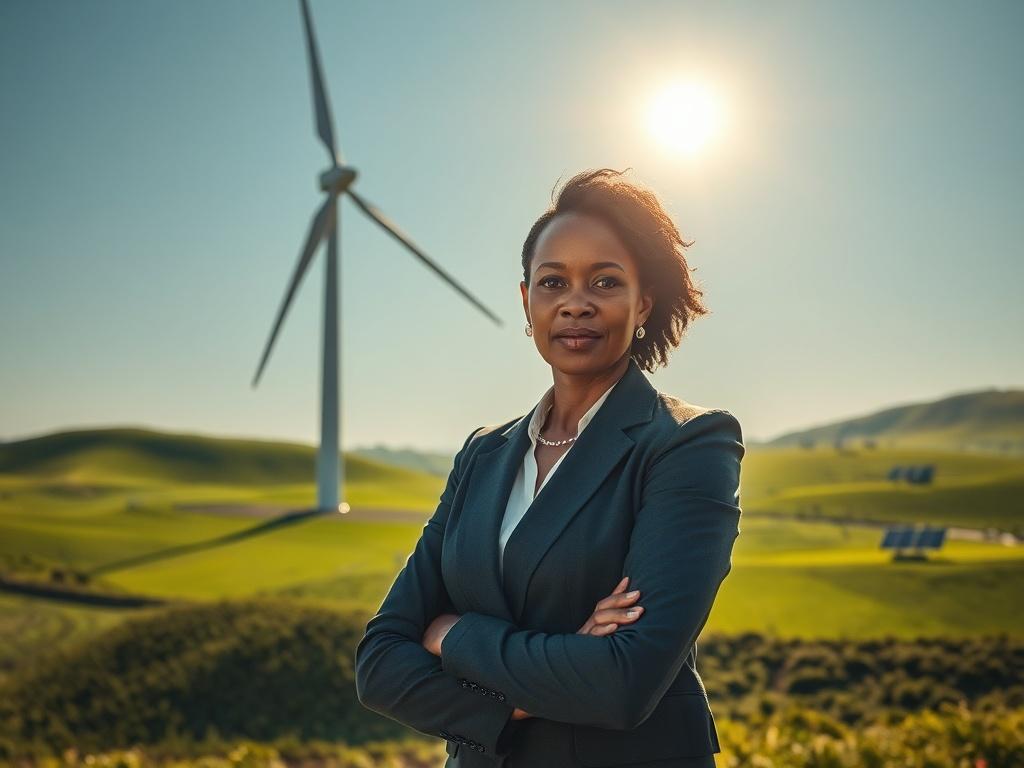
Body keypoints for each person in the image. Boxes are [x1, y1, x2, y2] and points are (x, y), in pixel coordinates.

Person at [355, 168, 745, 767]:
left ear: (642, 302)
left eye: (605, 282)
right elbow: (380, 662)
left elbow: (622, 683)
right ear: (526, 300)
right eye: (553, 281)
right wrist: (521, 699)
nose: (576, 303)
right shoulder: (482, 454)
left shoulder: (688, 444)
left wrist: (450, 634)